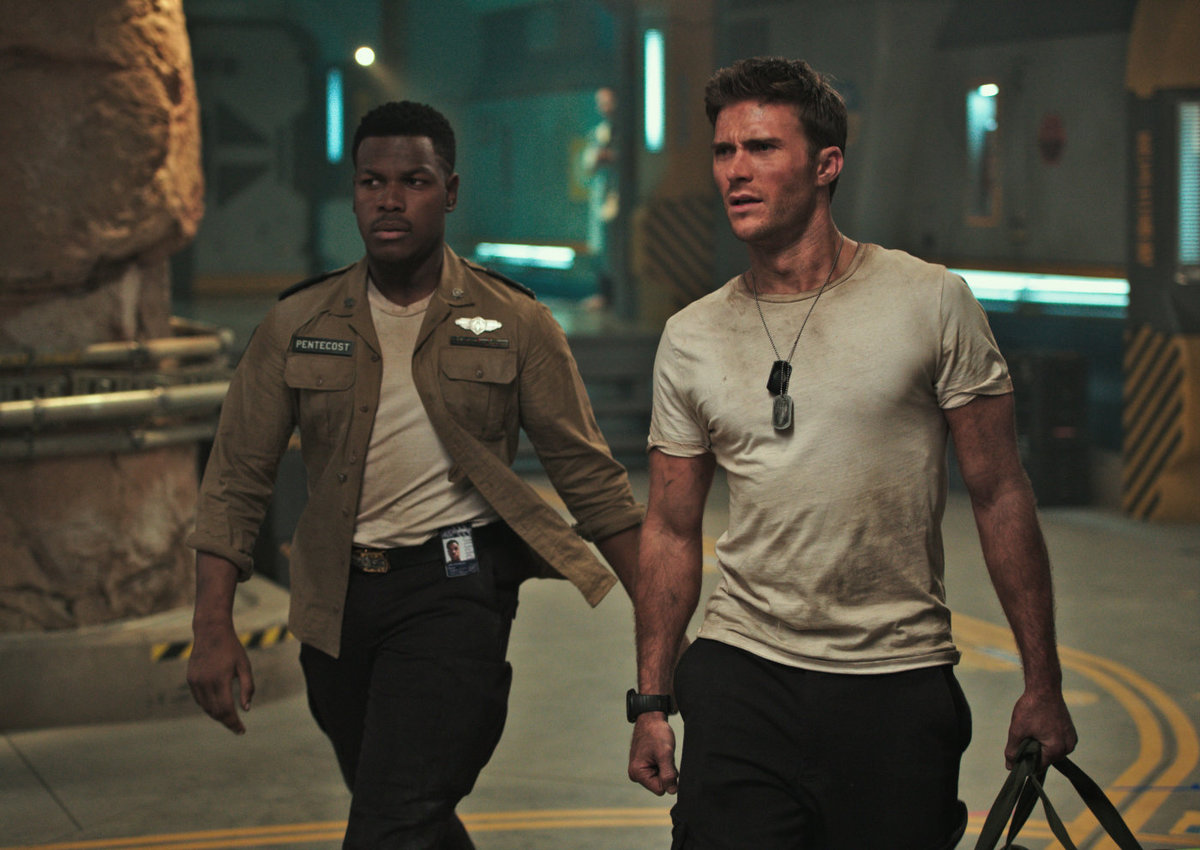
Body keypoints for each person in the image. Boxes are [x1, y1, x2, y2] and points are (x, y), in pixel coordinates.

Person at [626, 57, 1077, 850]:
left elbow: (1001, 492)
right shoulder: (691, 335)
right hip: (742, 673)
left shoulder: (930, 301)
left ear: (827, 164)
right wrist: (653, 701)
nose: (735, 171)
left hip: (895, 679)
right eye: (724, 151)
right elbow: (668, 527)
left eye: (762, 148)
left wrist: (1042, 683)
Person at [186, 100, 642, 850]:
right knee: (403, 807)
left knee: (391, 819)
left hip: (453, 588)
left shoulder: (515, 322)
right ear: (354, 193)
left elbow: (593, 483)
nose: (390, 199)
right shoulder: (298, 323)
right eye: (372, 182)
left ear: (450, 191)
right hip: (336, 600)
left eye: (414, 181)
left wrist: (660, 627)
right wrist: (212, 627)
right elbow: (236, 479)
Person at [580, 86, 619, 311]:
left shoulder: (625, 131)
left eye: (608, 102)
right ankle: (604, 294)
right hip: (602, 195)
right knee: (600, 248)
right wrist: (598, 157)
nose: (605, 107)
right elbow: (587, 163)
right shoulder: (598, 132)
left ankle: (615, 296)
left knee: (615, 247)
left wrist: (613, 157)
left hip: (617, 195)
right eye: (601, 103)